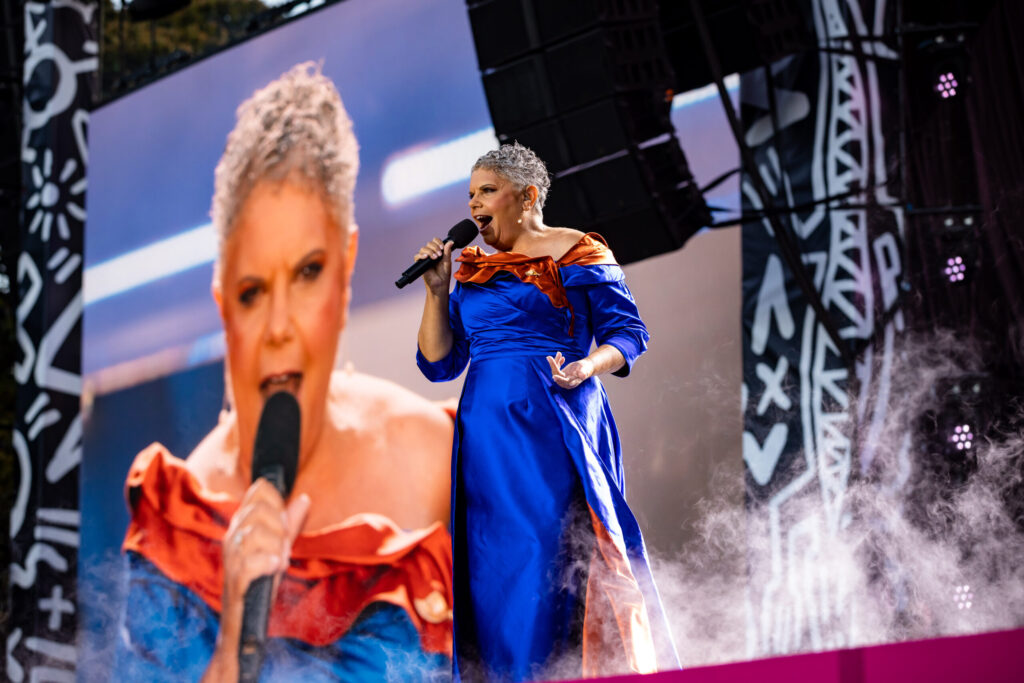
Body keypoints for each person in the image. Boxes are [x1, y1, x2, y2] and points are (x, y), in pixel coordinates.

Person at [114, 63, 455, 682]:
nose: (277, 325)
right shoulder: (176, 533)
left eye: (306, 273)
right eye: (251, 291)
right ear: (223, 306)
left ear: (346, 268)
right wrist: (232, 649)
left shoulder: (440, 456)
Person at [415, 143, 678, 681]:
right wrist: (437, 292)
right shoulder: (469, 271)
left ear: (527, 195)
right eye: (470, 194)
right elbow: (439, 366)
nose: (474, 204)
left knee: (554, 553)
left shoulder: (577, 251)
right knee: (496, 566)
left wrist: (587, 367)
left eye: (486, 190)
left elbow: (629, 334)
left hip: (553, 421)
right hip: (487, 436)